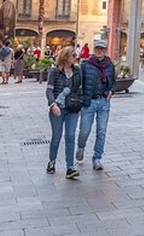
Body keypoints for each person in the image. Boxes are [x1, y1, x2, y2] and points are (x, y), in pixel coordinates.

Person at [75, 39, 115, 171]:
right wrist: (81, 100)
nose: (99, 51)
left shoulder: (110, 65)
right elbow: (79, 84)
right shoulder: (86, 64)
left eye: (102, 49)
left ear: (105, 50)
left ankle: (97, 158)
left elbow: (113, 81)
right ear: (94, 49)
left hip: (104, 102)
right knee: (85, 131)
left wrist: (111, 91)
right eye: (97, 48)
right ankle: (81, 146)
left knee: (101, 131)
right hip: (89, 102)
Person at [45, 46, 83, 179]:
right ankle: (52, 162)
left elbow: (80, 89)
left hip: (72, 108)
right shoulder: (55, 71)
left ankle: (70, 167)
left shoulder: (77, 70)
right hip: (58, 108)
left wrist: (81, 104)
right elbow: (49, 90)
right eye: (73, 56)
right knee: (57, 136)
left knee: (71, 136)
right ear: (66, 57)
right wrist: (52, 104)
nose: (75, 58)